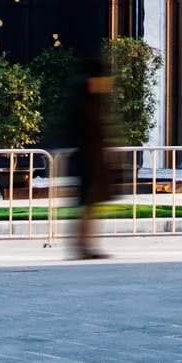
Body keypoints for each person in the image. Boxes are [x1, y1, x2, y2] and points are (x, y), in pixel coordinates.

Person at [69, 59, 112, 260]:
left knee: (91, 204)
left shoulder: (93, 102)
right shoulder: (85, 104)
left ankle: (84, 243)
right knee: (88, 203)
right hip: (89, 160)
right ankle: (82, 243)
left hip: (94, 159)